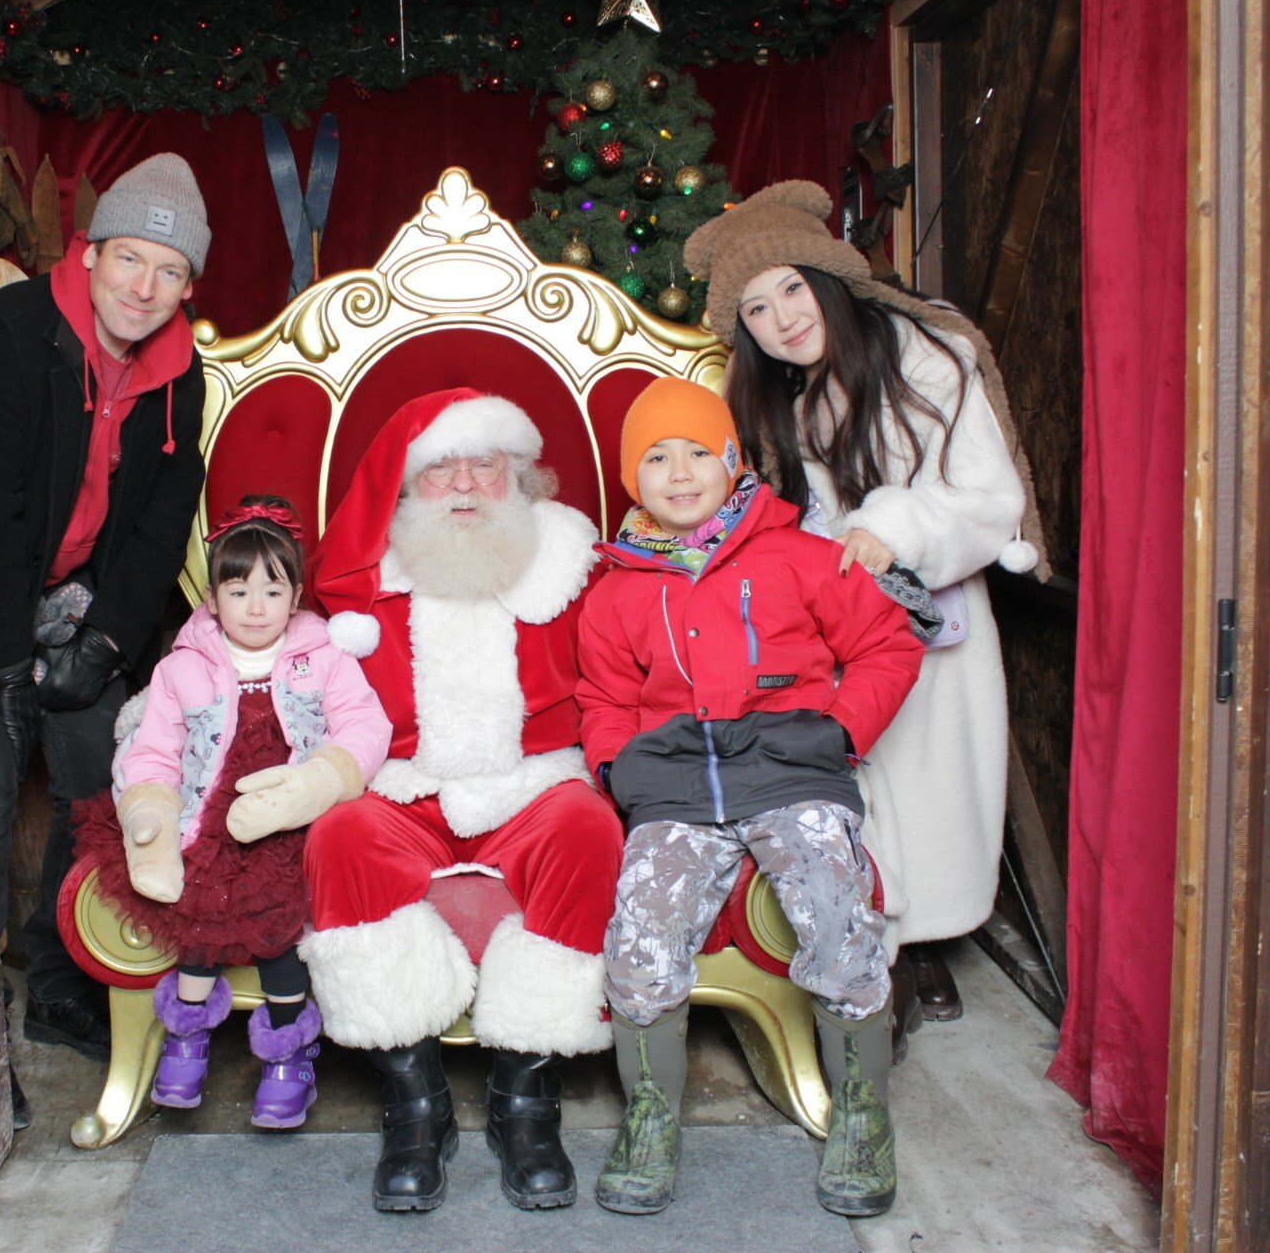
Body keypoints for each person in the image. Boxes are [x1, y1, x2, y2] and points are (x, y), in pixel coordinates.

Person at [0, 153, 212, 1126]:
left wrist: (102, 642)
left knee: (104, 776)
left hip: (70, 598)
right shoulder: (10, 333)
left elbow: (160, 524)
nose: (143, 287)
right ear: (90, 251)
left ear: (188, 285)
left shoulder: (181, 373)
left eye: (169, 270)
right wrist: (7, 663)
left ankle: (63, 983)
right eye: (129, 258)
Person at [683, 180, 1045, 1016]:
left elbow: (989, 499)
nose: (782, 320)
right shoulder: (783, 394)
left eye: (792, 289)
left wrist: (893, 526)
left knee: (928, 783)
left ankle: (923, 946)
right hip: (833, 620)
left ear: (829, 276)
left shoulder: (926, 358)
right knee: (855, 783)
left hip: (929, 614)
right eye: (757, 310)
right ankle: (877, 943)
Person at [577, 376, 923, 1217]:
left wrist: (839, 733)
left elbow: (887, 643)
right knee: (641, 937)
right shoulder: (617, 588)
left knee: (835, 912)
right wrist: (622, 772)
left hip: (790, 771)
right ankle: (651, 1117)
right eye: (657, 458)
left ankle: (863, 1114)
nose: (680, 472)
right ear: (632, 479)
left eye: (699, 452)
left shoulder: (800, 555)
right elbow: (604, 698)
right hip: (676, 788)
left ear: (733, 460)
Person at [301, 388, 625, 1213]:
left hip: (536, 782)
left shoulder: (572, 561)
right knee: (340, 837)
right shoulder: (368, 575)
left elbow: (620, 676)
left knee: (588, 830)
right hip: (404, 786)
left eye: (485, 465)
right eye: (441, 469)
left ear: (520, 475)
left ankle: (527, 1101)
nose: (465, 486)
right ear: (407, 486)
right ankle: (417, 1105)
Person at [70, 496, 391, 1128]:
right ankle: (186, 1035)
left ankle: (288, 1050)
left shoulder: (324, 656)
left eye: (272, 592)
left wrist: (322, 778)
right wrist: (151, 807)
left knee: (277, 926)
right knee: (200, 915)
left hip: (291, 815)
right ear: (213, 599)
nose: (255, 607)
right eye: (238, 591)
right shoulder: (182, 667)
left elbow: (365, 726)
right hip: (209, 816)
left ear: (295, 599)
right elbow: (154, 748)